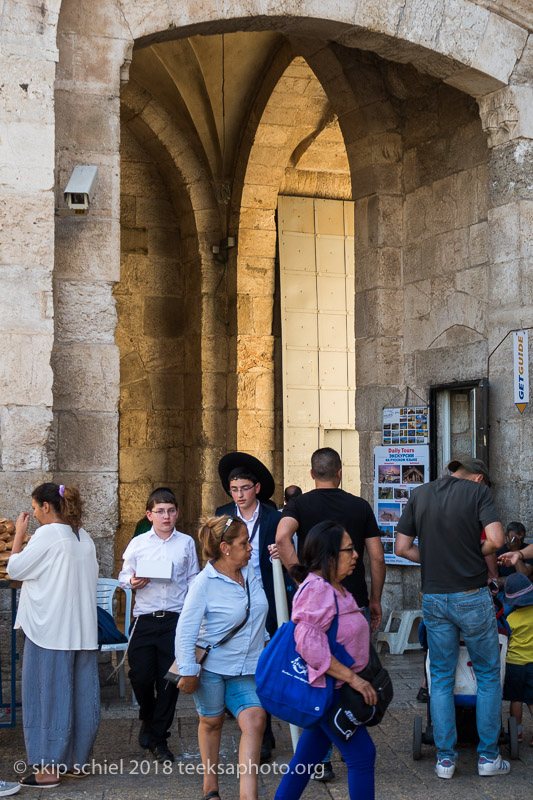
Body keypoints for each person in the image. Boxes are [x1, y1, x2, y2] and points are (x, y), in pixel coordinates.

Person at [395, 457, 510, 779]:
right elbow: (498, 540)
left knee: (441, 678)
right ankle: (488, 757)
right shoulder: (477, 494)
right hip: (471, 595)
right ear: (478, 479)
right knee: (487, 674)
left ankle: (445, 760)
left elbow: (402, 548)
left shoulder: (419, 494)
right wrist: (473, 555)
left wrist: (432, 560)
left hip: (434, 596)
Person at [276, 446, 385, 781]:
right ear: (341, 472)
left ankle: (321, 756)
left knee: (325, 681)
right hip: (352, 601)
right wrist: (376, 598)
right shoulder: (359, 506)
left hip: (319, 605)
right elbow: (377, 557)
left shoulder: (299, 504)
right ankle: (341, 735)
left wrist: (300, 575)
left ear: (312, 474)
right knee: (348, 677)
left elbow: (282, 536)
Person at [274, 521, 376, 800]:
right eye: (349, 550)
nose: (356, 555)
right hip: (331, 692)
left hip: (335, 690)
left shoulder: (336, 587)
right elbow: (308, 644)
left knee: (305, 760)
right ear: (330, 556)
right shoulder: (317, 589)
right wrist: (353, 678)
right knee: (363, 756)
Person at [8, 483, 99, 788]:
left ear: (47, 507)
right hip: (82, 630)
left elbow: (16, 569)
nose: (32, 513)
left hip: (50, 630)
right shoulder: (82, 536)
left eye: (34, 508)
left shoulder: (48, 534)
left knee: (47, 697)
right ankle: (76, 762)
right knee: (81, 697)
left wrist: (19, 534)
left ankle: (47, 770)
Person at [175, 515, 269, 800]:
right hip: (212, 668)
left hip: (248, 667)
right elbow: (185, 631)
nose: (251, 548)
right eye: (244, 543)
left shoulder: (249, 570)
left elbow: (258, 615)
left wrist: (268, 646)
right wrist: (188, 671)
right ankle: (210, 786)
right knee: (211, 723)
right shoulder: (204, 583)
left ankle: (247, 796)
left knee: (255, 721)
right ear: (226, 548)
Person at [216, 452, 292, 761]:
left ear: (257, 488)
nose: (239, 495)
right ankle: (248, 721)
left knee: (265, 666)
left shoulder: (274, 518)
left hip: (267, 600)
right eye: (234, 490)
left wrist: (281, 552)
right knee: (241, 664)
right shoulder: (223, 515)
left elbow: (290, 559)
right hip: (233, 598)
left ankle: (264, 735)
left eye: (245, 489)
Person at [118, 487, 199, 762]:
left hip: (175, 620)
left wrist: (194, 616)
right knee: (140, 677)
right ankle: (148, 717)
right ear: (149, 515)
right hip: (144, 618)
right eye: (160, 511)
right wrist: (132, 582)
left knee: (169, 682)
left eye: (171, 510)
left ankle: (159, 739)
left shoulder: (186, 542)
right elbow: (123, 574)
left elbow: (193, 579)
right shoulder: (139, 543)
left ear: (177, 513)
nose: (166, 516)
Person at [502, 572, 533, 747]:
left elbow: (507, 640)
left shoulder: (510, 619)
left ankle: (517, 731)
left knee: (516, 699)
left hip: (514, 664)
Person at [497, 522, 533, 589]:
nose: (517, 541)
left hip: (524, 589)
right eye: (513, 538)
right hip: (505, 591)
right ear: (506, 536)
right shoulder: (498, 551)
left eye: (520, 539)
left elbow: (524, 576)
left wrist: (515, 550)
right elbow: (496, 580)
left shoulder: (528, 550)